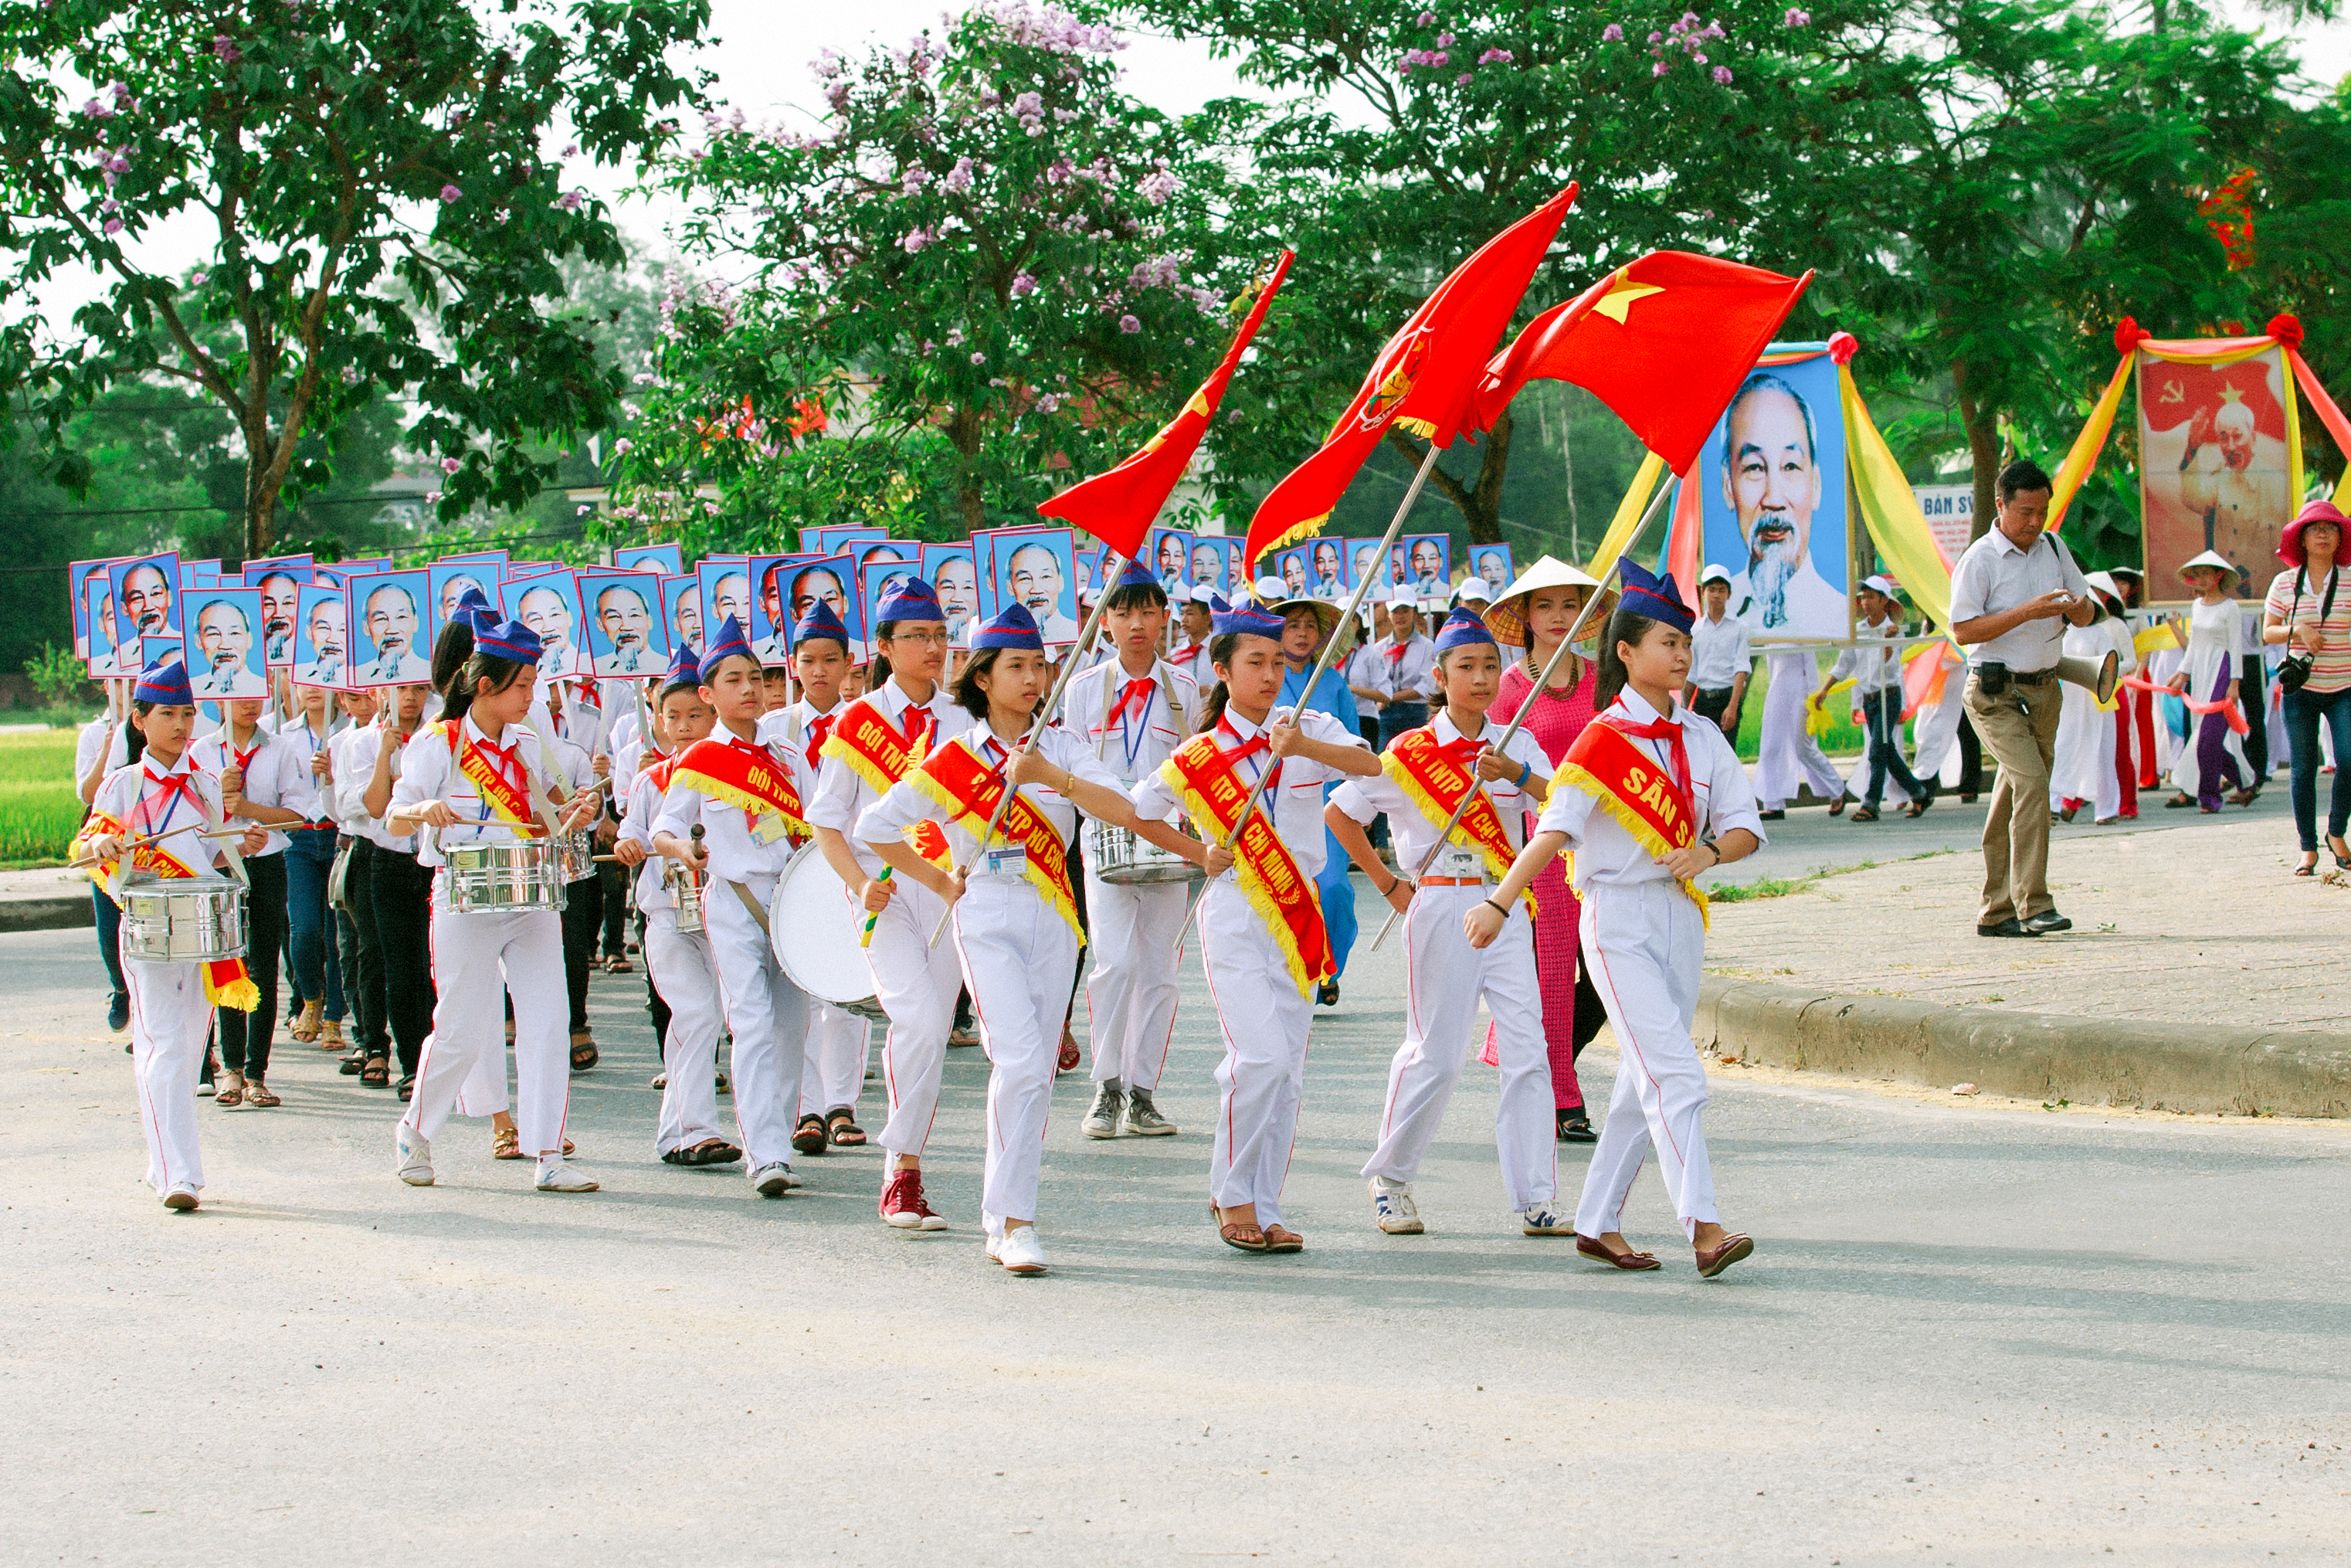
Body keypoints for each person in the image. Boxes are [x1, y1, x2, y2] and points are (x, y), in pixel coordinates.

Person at [859, 603, 1188, 1274]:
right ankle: (1015, 1221)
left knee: (1035, 1072)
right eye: (1018, 666)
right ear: (982, 677)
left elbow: (1125, 809)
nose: (1034, 678)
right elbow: (875, 826)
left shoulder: (1061, 746)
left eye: (1040, 665)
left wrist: (1051, 778)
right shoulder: (955, 759)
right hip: (984, 916)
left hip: (1055, 919)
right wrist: (937, 878)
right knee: (1013, 1059)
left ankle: (1002, 1214)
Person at [1466, 560, 1764, 1278]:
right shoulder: (1602, 741)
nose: (1682, 656)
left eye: (1686, 644)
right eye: (1667, 643)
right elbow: (1554, 831)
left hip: (1682, 919)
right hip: (1617, 920)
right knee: (1678, 1077)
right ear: (1626, 653)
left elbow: (1747, 828)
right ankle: (1707, 1228)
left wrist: (1709, 852)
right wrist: (1501, 901)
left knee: (1640, 1083)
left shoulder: (1701, 736)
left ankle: (1597, 1221)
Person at [1129, 602, 1378, 1254]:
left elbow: (1371, 767)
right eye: (1255, 663)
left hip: (1299, 917)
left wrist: (1305, 748)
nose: (1270, 675)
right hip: (1237, 911)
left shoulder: (1310, 725)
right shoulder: (1198, 755)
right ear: (1224, 669)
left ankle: (1265, 1204)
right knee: (1259, 1058)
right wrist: (1195, 854)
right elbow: (1141, 813)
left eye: (1276, 662)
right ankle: (1231, 1193)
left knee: (1286, 1070)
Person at [1325, 606, 1565, 1237]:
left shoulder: (1517, 742)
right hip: (1439, 903)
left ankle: (1537, 1196)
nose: (1481, 678)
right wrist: (1386, 883)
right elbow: (1342, 814)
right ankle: (1392, 1178)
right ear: (1441, 674)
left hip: (1505, 903)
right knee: (1436, 1052)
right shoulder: (1409, 752)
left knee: (1528, 1051)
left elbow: (1563, 801)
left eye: (1491, 665)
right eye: (1467, 667)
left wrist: (1512, 771)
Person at [387, 608, 604, 1193]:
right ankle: (416, 1130)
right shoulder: (440, 744)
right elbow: (394, 813)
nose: (532, 696)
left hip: (531, 895)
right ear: (486, 686)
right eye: (524, 685)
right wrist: (422, 811)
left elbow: (553, 813)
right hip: (464, 899)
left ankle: (548, 1154)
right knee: (459, 1028)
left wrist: (578, 813)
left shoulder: (532, 742)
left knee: (549, 1022)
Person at [72, 659, 269, 1211]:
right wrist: (104, 848)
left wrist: (240, 842)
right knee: (163, 1044)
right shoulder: (123, 784)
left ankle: (163, 1159)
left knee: (185, 1052)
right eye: (168, 714)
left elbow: (211, 851)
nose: (182, 724)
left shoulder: (206, 783)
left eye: (188, 713)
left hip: (204, 930)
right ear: (139, 720)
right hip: (150, 927)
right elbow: (86, 846)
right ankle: (181, 1174)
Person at [806, 577, 968, 1230]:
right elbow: (827, 822)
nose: (932, 647)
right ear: (885, 646)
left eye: (939, 635)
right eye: (917, 637)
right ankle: (900, 1170)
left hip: (949, 894)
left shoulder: (963, 718)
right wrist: (857, 883)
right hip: (887, 895)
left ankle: (908, 1165)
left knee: (928, 1029)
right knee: (922, 1023)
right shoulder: (857, 721)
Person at [650, 616, 816, 1196]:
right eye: (734, 680)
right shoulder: (698, 761)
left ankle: (780, 1135)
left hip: (793, 905)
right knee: (750, 1025)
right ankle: (765, 1154)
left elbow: (820, 828)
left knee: (792, 1029)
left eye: (757, 678)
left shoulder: (790, 757)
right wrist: (685, 850)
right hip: (734, 903)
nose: (750, 690)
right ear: (708, 693)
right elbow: (663, 829)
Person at [1060, 559, 1196, 1139]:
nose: (1136, 623)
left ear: (1165, 617)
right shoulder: (1083, 689)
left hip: (1166, 844)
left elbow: (1196, 765)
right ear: (1104, 622)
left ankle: (1143, 1092)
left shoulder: (1185, 688)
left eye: (1147, 610)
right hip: (1106, 842)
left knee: (1161, 970)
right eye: (1123, 611)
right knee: (1113, 963)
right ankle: (1106, 1086)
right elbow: (1070, 768)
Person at [1484, 557, 1610, 1140]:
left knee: (1611, 975)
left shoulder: (1604, 681)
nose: (1559, 616)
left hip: (1607, 846)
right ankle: (1562, 1094)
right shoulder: (1507, 691)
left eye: (1569, 604)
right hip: (1542, 851)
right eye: (1545, 605)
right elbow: (1490, 776)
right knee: (1554, 973)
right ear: (1525, 617)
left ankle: (1549, 1064)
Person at [1947, 458, 2099, 938]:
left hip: (2045, 689)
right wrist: (2026, 612)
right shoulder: (1979, 559)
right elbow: (1963, 630)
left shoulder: (2055, 547)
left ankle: (1995, 911)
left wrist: (2078, 609)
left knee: (2015, 791)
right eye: (2026, 512)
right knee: (2033, 785)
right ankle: (2034, 903)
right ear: (2001, 505)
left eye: (2042, 513)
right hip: (1993, 693)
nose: (2035, 523)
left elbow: (2088, 612)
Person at [617, 645, 742, 1168]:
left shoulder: (735, 771)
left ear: (714, 713)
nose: (685, 726)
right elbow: (631, 831)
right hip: (667, 917)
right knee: (695, 1014)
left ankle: (676, 1133)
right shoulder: (649, 780)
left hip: (721, 914)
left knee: (703, 1021)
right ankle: (695, 1131)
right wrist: (628, 844)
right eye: (674, 717)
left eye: (696, 715)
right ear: (658, 720)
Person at [768, 599, 870, 1153]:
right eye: (809, 660)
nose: (820, 671)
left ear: (849, 663)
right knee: (800, 986)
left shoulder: (865, 723)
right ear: (793, 664)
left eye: (831, 660)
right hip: (791, 870)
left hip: (850, 861)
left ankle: (841, 1102)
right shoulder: (771, 728)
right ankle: (806, 1105)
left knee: (847, 988)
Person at [187, 694, 313, 1107]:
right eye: (237, 696)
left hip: (267, 863)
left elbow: (297, 815)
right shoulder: (203, 749)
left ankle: (257, 1072)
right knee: (227, 962)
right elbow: (194, 819)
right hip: (222, 866)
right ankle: (230, 1070)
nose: (248, 704)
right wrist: (223, 808)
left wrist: (248, 809)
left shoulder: (279, 748)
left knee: (262, 963)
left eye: (255, 695)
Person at [1274, 592, 1363, 1007]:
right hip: (1272, 798)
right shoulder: (1263, 674)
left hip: (1326, 800)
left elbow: (1358, 751)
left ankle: (1331, 967)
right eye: (1293, 625)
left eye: (1310, 626)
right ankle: (1294, 969)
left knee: (1333, 888)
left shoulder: (1334, 682)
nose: (1303, 633)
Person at [348, 680, 436, 1094]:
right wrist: (385, 752)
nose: (410, 698)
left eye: (419, 688)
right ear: (382, 693)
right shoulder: (363, 742)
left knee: (433, 968)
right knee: (399, 968)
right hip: (389, 860)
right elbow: (375, 807)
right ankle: (412, 1063)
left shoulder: (440, 732)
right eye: (401, 688)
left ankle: (440, 1062)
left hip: (433, 860)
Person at [1720, 373, 1846, 636]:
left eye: (1790, 466)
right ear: (1728, 486)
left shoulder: (1837, 615)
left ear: (1816, 485)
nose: (1774, 500)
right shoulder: (1720, 614)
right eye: (1754, 467)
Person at [2264, 501, 2351, 874]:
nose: (2322, 534)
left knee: (2348, 759)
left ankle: (2336, 831)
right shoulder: (2284, 583)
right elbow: (2269, 632)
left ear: (2339, 538)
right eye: (2314, 528)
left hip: (2345, 685)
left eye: (2330, 528)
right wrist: (2296, 629)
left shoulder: (2349, 579)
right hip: (2300, 689)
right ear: (2300, 537)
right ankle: (2307, 848)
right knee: (2302, 769)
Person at [273, 680, 349, 1046]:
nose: (314, 690)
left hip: (337, 833)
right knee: (302, 930)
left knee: (337, 934)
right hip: (299, 837)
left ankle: (334, 1015)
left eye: (323, 682)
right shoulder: (282, 735)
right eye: (305, 682)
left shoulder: (350, 730)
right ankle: (310, 998)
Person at [1818, 575, 1929, 821]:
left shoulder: (1894, 632)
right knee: (1886, 751)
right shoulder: (1857, 632)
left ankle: (1871, 804)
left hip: (1888, 697)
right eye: (1863, 597)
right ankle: (1919, 793)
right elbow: (1845, 663)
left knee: (1877, 751)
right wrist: (1825, 689)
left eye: (1871, 597)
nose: (1866, 602)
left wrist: (1888, 641)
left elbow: (1890, 668)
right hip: (1869, 699)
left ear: (1883, 601)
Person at [2163, 551, 2252, 813]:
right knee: (2206, 739)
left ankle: (2210, 798)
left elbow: (2236, 647)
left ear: (2219, 575)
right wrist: (2181, 676)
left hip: (2221, 672)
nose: (2201, 578)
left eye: (2206, 573)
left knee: (2208, 742)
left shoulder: (2230, 607)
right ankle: (2245, 784)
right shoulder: (2197, 606)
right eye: (2197, 574)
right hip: (2200, 674)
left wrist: (2234, 682)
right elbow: (2193, 648)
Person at [2050, 573, 2139, 826]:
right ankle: (2052, 805)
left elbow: (2119, 662)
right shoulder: (2062, 632)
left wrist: (2103, 676)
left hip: (2098, 699)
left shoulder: (2103, 632)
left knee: (2102, 751)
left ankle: (2107, 809)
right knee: (2063, 747)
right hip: (2069, 699)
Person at [1684, 564, 1752, 737]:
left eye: (1722, 590)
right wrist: (1682, 708)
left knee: (1726, 756)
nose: (1716, 595)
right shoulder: (1696, 630)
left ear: (1728, 594)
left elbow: (1741, 669)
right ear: (1703, 592)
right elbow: (1692, 672)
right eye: (1712, 589)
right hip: (1702, 701)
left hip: (1726, 698)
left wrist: (1733, 707)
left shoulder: (1739, 628)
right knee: (1701, 753)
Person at [1372, 589, 1437, 750]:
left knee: (1417, 762)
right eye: (1395, 611)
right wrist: (1384, 699)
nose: (1400, 616)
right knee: (1384, 762)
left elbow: (1425, 687)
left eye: (1405, 611)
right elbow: (1376, 682)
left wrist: (1389, 697)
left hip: (1416, 713)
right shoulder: (1379, 648)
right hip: (1387, 714)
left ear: (1414, 613)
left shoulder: (1427, 646)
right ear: (1389, 614)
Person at [358, 582, 433, 684]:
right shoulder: (357, 677)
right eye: (381, 619)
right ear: (366, 627)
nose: (391, 630)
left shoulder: (431, 673)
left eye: (401, 617)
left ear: (416, 623)